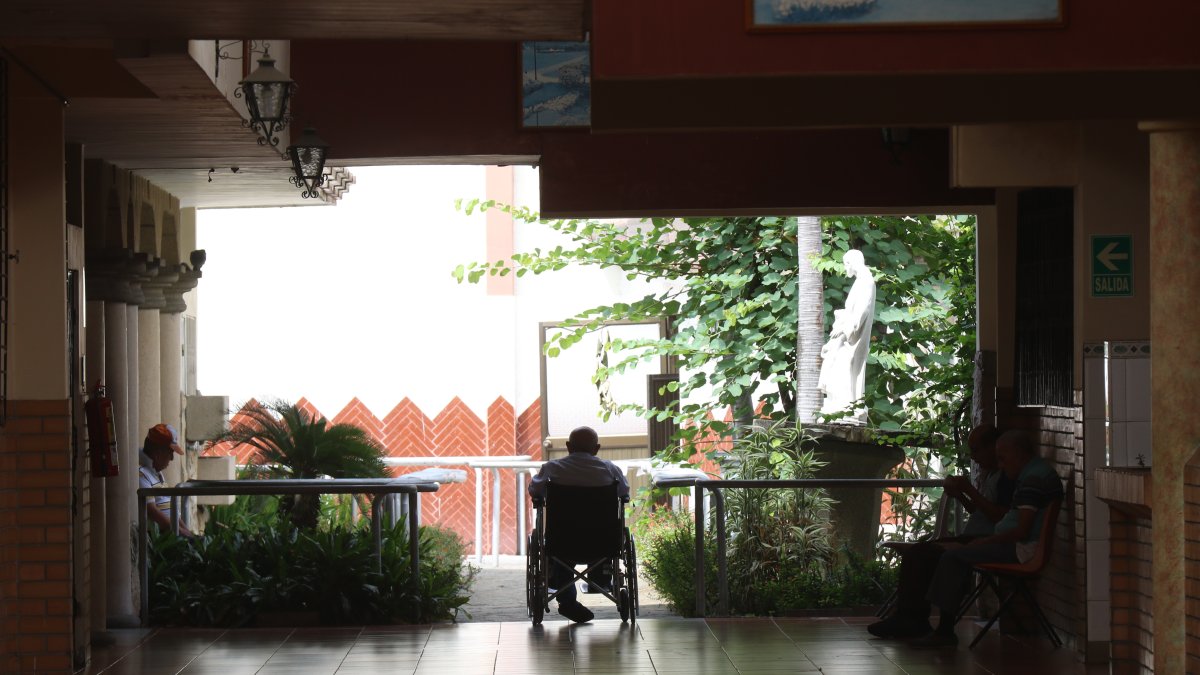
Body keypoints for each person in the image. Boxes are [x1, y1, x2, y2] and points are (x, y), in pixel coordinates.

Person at [910, 429, 1063, 648]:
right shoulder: (1034, 473)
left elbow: (1021, 531)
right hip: (1011, 542)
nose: (1000, 464)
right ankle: (936, 625)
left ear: (1019, 454)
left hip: (1019, 548)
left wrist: (985, 542)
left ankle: (944, 630)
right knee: (954, 555)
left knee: (953, 557)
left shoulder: (1033, 479)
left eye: (1003, 458)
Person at [867, 423, 1015, 639]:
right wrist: (962, 495)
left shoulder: (1006, 478)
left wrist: (969, 490)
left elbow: (998, 516)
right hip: (976, 537)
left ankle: (915, 620)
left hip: (986, 540)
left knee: (926, 554)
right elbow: (980, 511)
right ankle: (909, 617)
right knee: (918, 552)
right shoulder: (993, 475)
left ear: (993, 447)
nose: (973, 457)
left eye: (976, 450)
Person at [528, 426, 630, 624]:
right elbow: (624, 493)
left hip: (562, 542)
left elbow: (535, 491)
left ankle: (567, 601)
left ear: (568, 446)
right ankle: (600, 579)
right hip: (603, 543)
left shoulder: (552, 468)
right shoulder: (610, 469)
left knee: (561, 554)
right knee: (594, 537)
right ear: (597, 448)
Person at [817, 249, 876, 423]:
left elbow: (861, 311)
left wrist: (844, 330)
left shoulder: (866, 281)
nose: (845, 268)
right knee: (836, 365)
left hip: (853, 337)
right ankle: (840, 406)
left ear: (851, 262)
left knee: (842, 367)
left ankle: (846, 408)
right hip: (848, 334)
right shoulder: (861, 280)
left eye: (845, 264)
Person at [138, 423, 194, 537]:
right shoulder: (141, 474)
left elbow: (172, 514)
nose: (172, 458)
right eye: (170, 453)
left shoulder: (156, 473)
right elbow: (153, 512)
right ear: (158, 453)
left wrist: (190, 535)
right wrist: (183, 534)